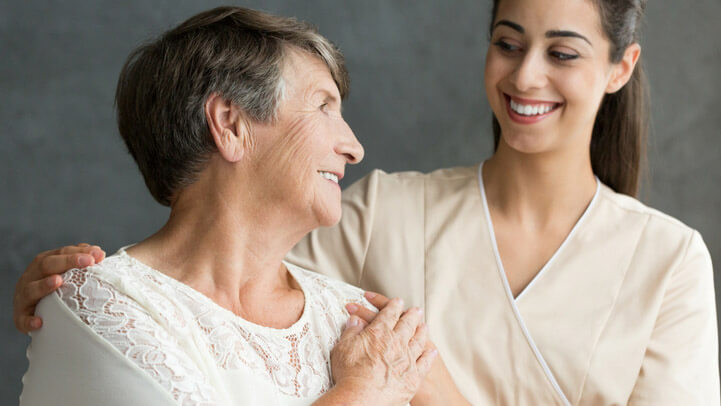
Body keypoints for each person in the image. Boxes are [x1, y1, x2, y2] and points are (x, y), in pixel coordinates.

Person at [15, 0, 720, 404]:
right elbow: (216, 258)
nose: (525, 74)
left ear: (619, 67)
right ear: (229, 122)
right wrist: (84, 292)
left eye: (562, 53)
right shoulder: (380, 215)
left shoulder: (669, 259)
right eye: (506, 43)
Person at [17, 6, 468, 406]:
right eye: (324, 107)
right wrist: (365, 394)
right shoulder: (101, 305)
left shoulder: (366, 328)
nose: (355, 148)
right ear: (231, 125)